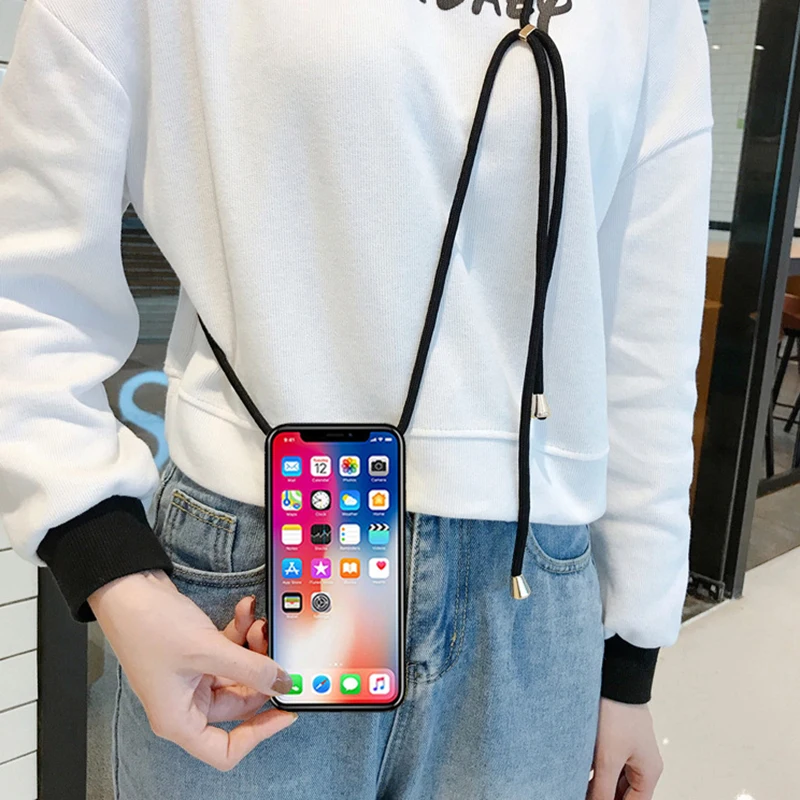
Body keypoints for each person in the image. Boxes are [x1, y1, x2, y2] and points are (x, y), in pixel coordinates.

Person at [0, 0, 713, 797]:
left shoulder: (652, 15)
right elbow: (24, 280)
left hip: (529, 600)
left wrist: (630, 657)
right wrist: (107, 563)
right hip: (247, 589)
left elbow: (646, 333)